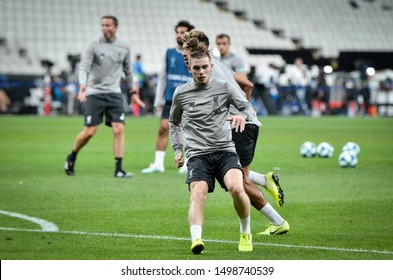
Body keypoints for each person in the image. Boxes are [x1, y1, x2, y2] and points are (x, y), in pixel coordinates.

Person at [182, 31, 289, 235]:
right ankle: (265, 183)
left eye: (186, 49)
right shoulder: (216, 65)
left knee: (238, 180)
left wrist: (238, 114)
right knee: (231, 175)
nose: (183, 53)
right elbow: (247, 85)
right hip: (245, 123)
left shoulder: (206, 70)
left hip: (238, 125)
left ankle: (278, 220)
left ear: (197, 49)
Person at [170, 44, 255, 254]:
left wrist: (241, 115)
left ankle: (246, 233)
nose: (201, 72)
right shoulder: (180, 93)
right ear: (189, 68)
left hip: (225, 150)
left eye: (205, 67)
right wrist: (177, 149)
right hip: (198, 154)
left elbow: (247, 107)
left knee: (237, 188)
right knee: (198, 193)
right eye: (196, 68)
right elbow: (174, 122)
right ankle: (196, 240)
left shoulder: (224, 86)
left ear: (211, 66)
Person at [64, 15, 145, 178]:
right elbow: (84, 67)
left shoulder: (124, 47)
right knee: (89, 132)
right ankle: (72, 155)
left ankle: (119, 169)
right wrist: (82, 87)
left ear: (115, 27)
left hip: (114, 92)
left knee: (119, 128)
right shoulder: (93, 45)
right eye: (102, 25)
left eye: (108, 25)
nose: (104, 28)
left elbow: (128, 71)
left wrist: (133, 93)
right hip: (94, 92)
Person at [142, 20, 195, 174]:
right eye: (177, 32)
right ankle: (158, 163)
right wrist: (158, 98)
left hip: (189, 99)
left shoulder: (195, 54)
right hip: (170, 98)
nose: (179, 35)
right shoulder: (169, 53)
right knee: (163, 128)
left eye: (183, 32)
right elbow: (163, 76)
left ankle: (188, 163)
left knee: (189, 131)